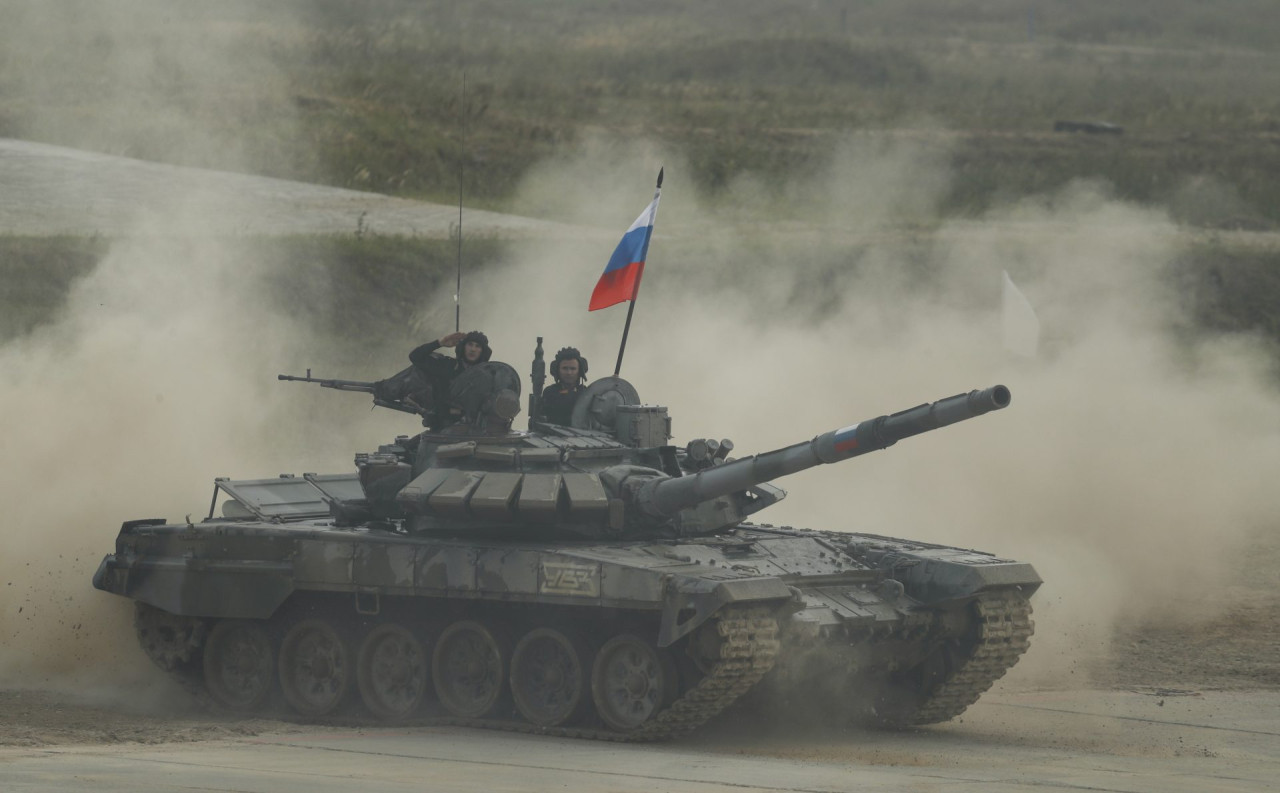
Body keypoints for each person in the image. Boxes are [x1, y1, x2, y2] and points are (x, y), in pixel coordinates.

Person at [375, 330, 492, 428]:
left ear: (482, 351)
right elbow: (415, 357)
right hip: (444, 429)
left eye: (477, 346)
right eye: (470, 344)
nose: (473, 349)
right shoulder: (448, 367)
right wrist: (439, 343)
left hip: (476, 430)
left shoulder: (488, 375)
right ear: (463, 347)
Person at [540, 346, 587, 426]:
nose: (569, 373)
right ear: (557, 370)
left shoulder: (586, 394)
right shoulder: (550, 392)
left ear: (580, 371)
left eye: (573, 369)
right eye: (565, 368)